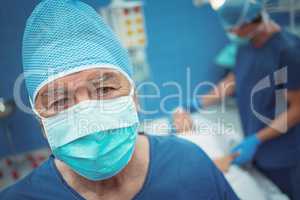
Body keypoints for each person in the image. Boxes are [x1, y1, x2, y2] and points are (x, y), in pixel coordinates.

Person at [0, 0, 238, 199]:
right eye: (59, 101)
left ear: (135, 98)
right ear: (41, 123)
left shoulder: (190, 165)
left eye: (104, 88)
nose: (87, 113)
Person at [186, 0, 300, 199]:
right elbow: (235, 79)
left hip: (285, 153)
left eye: (234, 29)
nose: (232, 34)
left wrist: (256, 140)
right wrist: (196, 103)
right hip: (258, 149)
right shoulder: (247, 45)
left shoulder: (288, 51)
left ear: (250, 22)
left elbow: (297, 108)